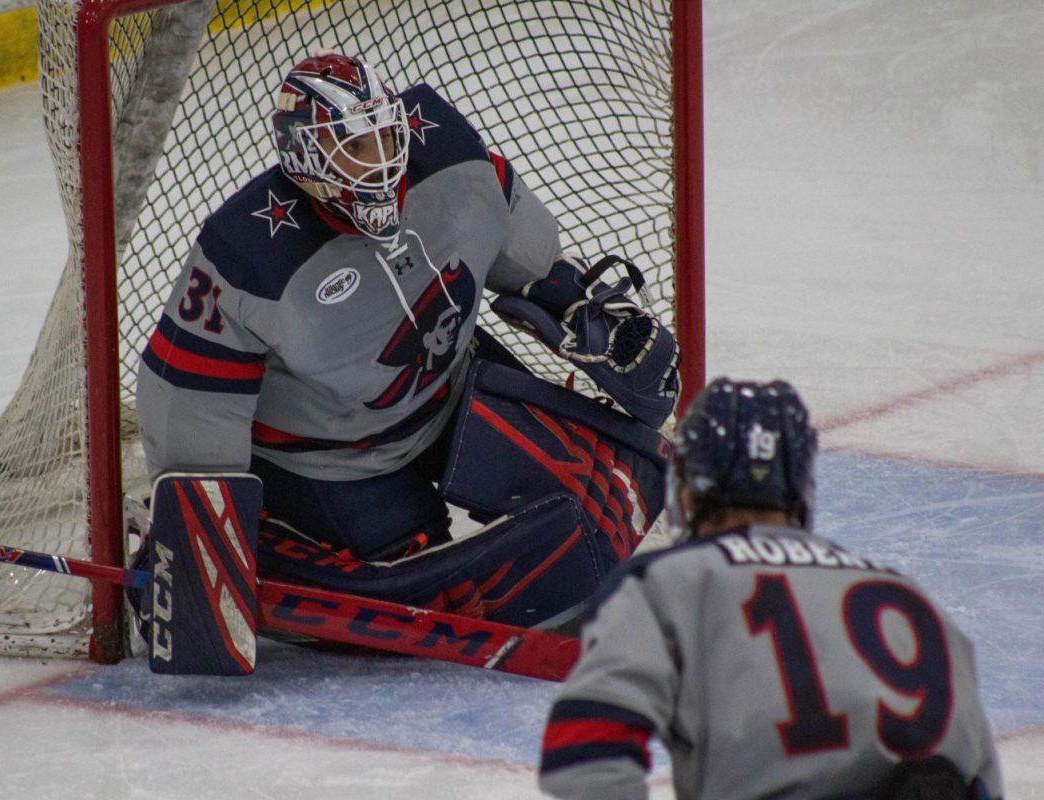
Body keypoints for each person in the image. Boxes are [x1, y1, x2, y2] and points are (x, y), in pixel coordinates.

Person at [132, 52, 680, 633]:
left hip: (453, 396)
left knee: (608, 489)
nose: (385, 161)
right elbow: (189, 401)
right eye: (356, 146)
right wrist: (193, 532)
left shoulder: (448, 156)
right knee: (406, 604)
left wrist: (573, 300)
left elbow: (524, 256)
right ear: (305, 153)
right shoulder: (246, 252)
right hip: (335, 459)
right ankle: (268, 528)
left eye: (388, 135)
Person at [538, 378, 1003, 800]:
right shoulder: (913, 603)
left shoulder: (662, 583)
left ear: (688, 492)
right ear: (801, 487)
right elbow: (978, 782)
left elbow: (582, 759)